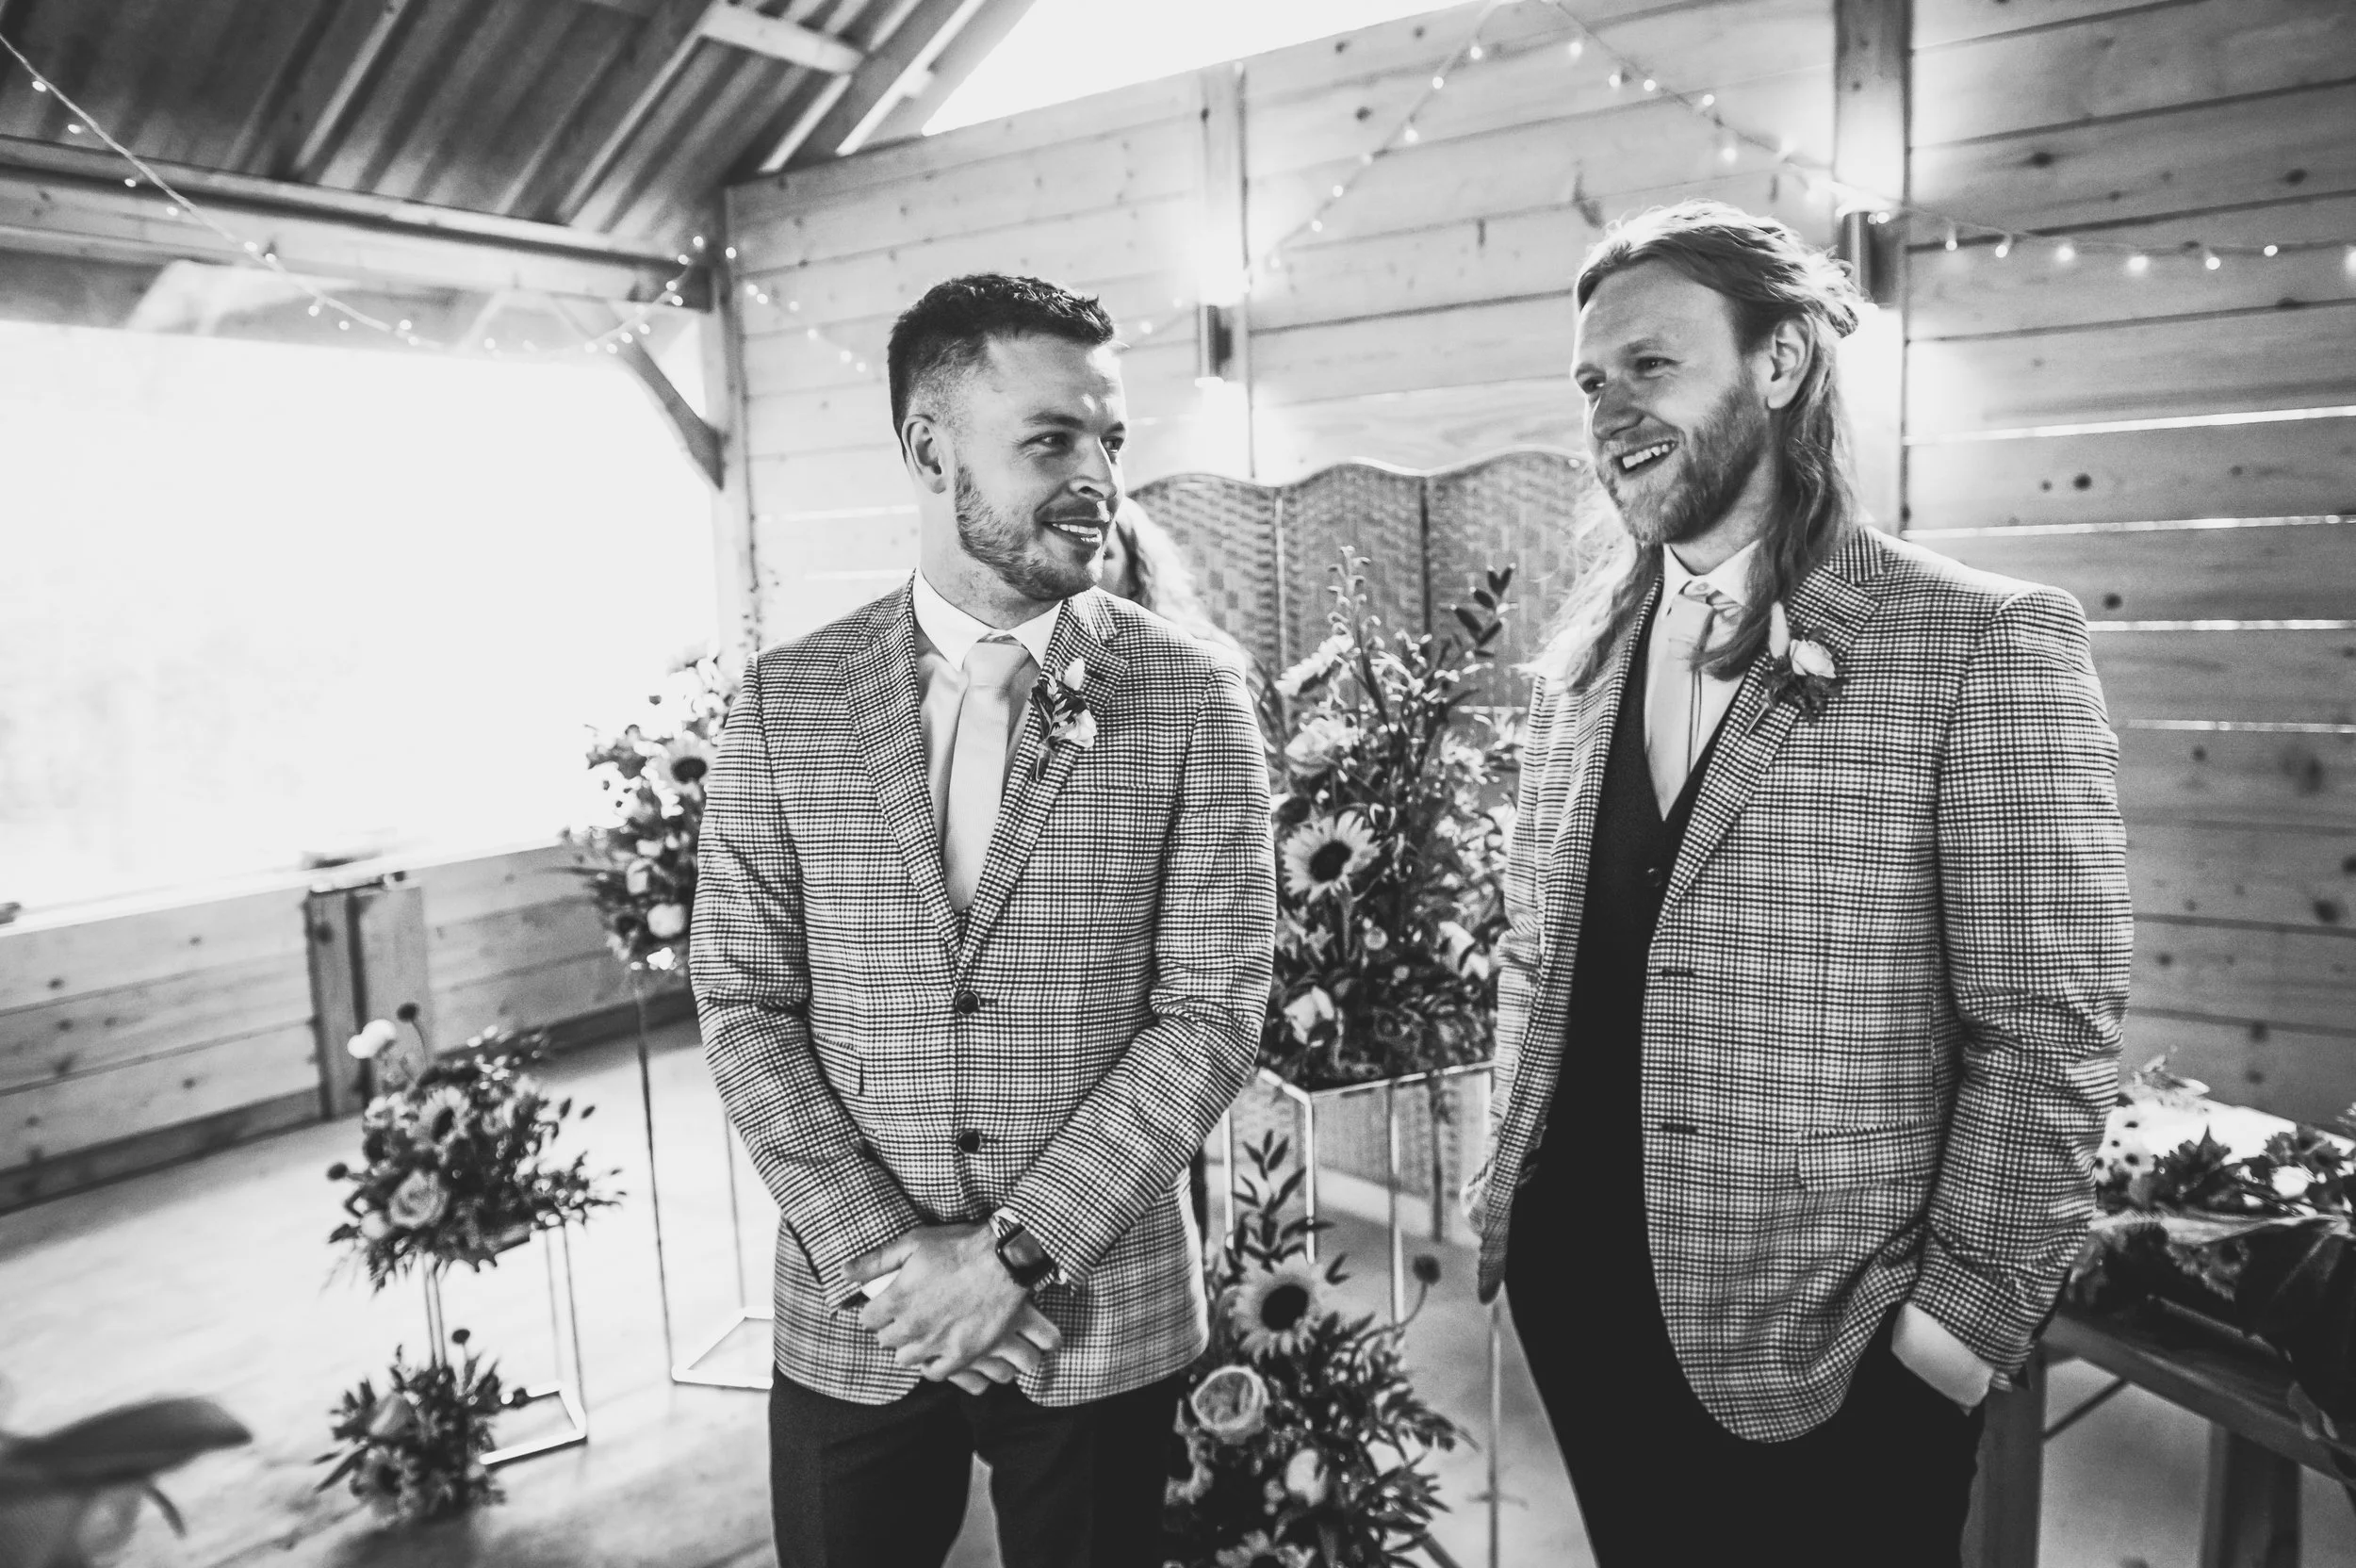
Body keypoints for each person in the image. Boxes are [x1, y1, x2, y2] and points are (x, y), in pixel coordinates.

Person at [1464, 202, 2132, 1565]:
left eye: (1650, 364)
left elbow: (2046, 1030)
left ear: (1779, 365)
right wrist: (1511, 1197)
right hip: (1581, 1295)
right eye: (1591, 382)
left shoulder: (1983, 644)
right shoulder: (1583, 668)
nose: (1610, 411)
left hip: (1830, 1343)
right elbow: (1541, 957)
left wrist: (1950, 1339)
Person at [693, 272, 1276, 1568]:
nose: (1097, 478)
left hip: (1098, 1310)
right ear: (926, 449)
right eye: (1052, 440)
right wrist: (890, 1264)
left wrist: (1012, 1258)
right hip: (860, 1319)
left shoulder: (1192, 700)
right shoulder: (785, 703)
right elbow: (744, 1003)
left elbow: (1215, 1008)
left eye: (1109, 442)